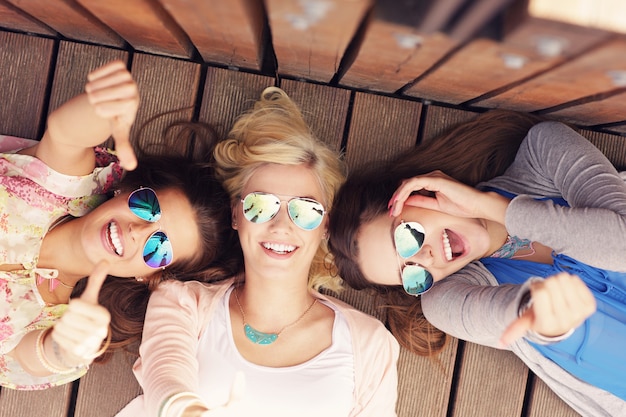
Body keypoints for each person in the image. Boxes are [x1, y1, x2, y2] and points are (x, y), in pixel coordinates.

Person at [117, 87, 399, 417]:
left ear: (325, 225)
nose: (281, 224)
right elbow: (165, 376)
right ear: (236, 215)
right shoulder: (182, 303)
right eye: (260, 205)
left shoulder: (368, 343)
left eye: (305, 211)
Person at [327, 110, 626, 416]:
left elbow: (621, 245)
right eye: (412, 276)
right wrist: (537, 313)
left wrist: (491, 207)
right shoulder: (446, 300)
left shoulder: (542, 151)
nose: (425, 259)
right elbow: (502, 312)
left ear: (417, 192)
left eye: (406, 237)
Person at [1, 61, 239, 390]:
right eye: (147, 206)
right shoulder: (61, 186)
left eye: (160, 247)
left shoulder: (56, 323)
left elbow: (35, 356)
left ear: (150, 276)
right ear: (125, 192)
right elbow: (66, 134)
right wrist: (103, 108)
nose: (139, 232)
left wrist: (63, 350)